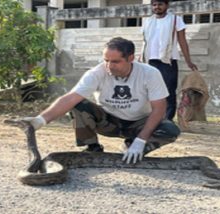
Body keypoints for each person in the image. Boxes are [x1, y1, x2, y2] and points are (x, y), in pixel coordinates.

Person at [24, 37, 180, 164]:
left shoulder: (150, 73)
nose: (109, 66)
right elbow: (70, 98)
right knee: (78, 104)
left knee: (170, 130)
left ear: (131, 58)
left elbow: (159, 109)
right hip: (108, 122)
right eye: (106, 60)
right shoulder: (96, 72)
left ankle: (133, 147)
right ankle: (92, 147)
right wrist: (40, 120)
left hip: (138, 124)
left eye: (115, 62)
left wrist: (141, 140)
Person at [141, 0, 198, 121]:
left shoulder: (175, 20)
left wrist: (188, 61)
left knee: (168, 90)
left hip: (168, 61)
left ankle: (168, 119)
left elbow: (182, 41)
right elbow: (145, 41)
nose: (157, 7)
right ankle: (152, 118)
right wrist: (139, 58)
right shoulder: (148, 21)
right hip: (150, 60)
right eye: (154, 5)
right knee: (150, 90)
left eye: (160, 4)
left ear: (166, 5)